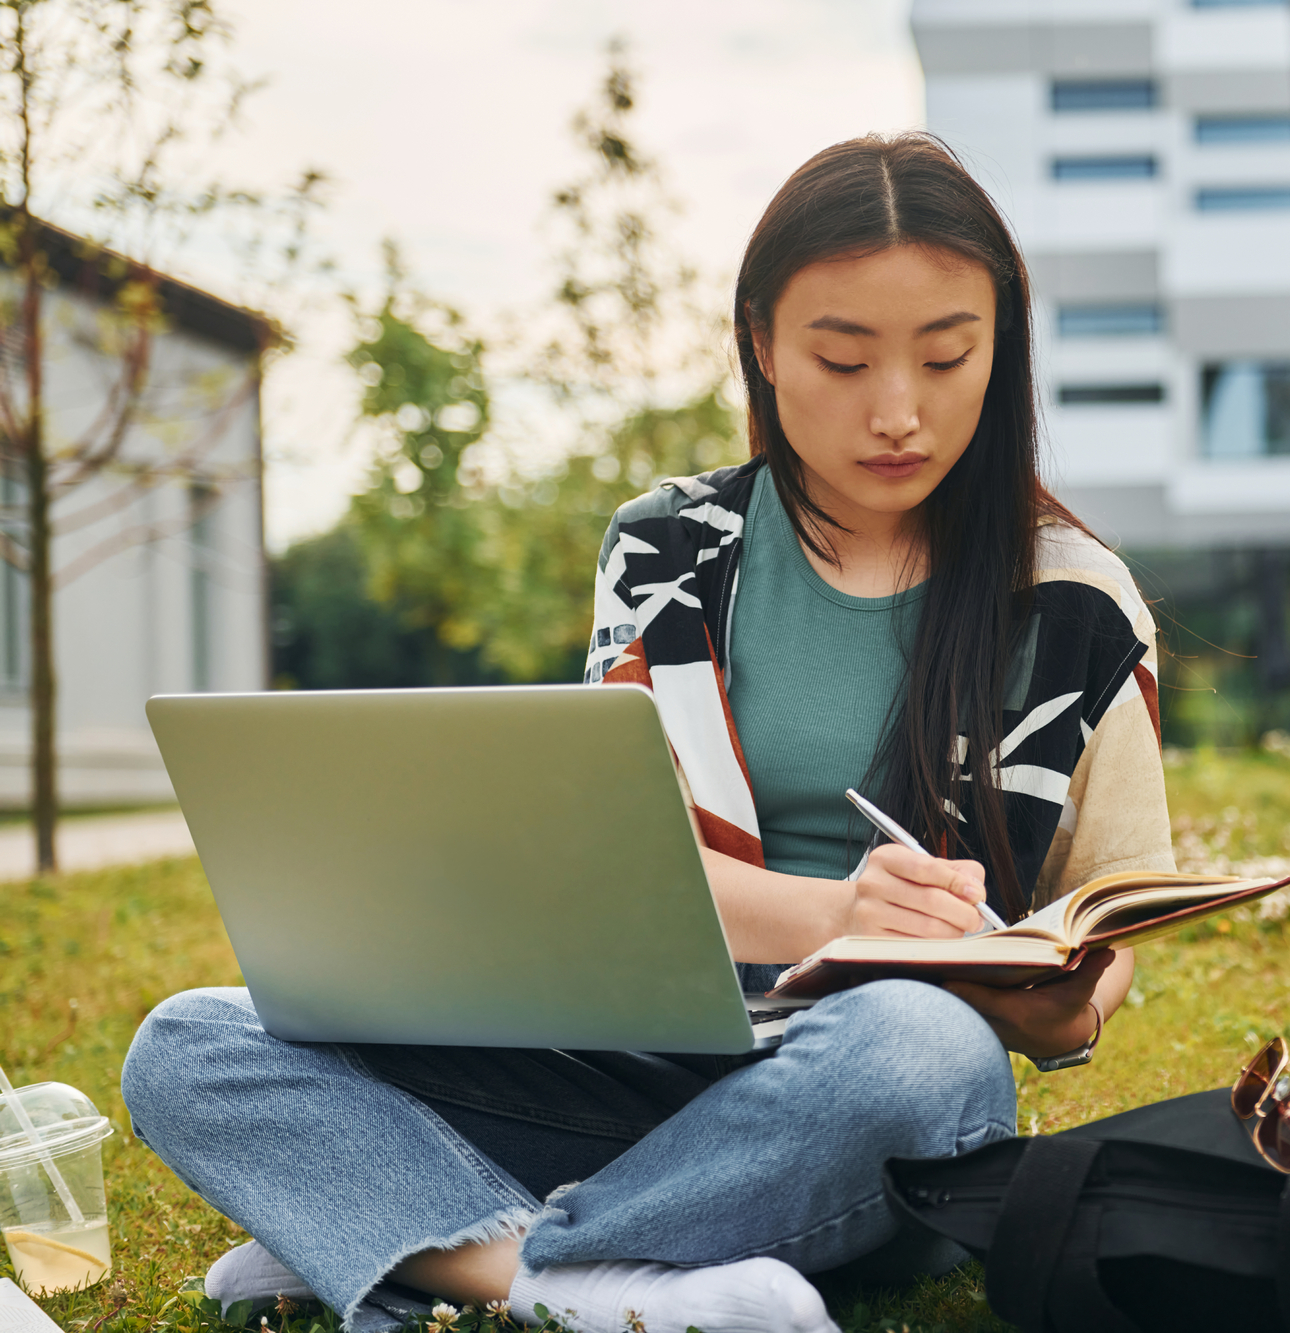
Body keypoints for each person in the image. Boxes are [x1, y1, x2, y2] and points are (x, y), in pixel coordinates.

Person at [121, 133, 1174, 1333]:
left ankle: (421, 1243)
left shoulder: (1078, 601)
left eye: (947, 357)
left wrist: (1067, 1007)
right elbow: (631, 857)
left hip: (856, 1096)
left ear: (1001, 345)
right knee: (192, 1042)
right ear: (761, 343)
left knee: (918, 1045)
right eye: (840, 359)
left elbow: (1115, 898)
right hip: (631, 1067)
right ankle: (572, 1280)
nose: (898, 411)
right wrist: (832, 913)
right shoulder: (668, 552)